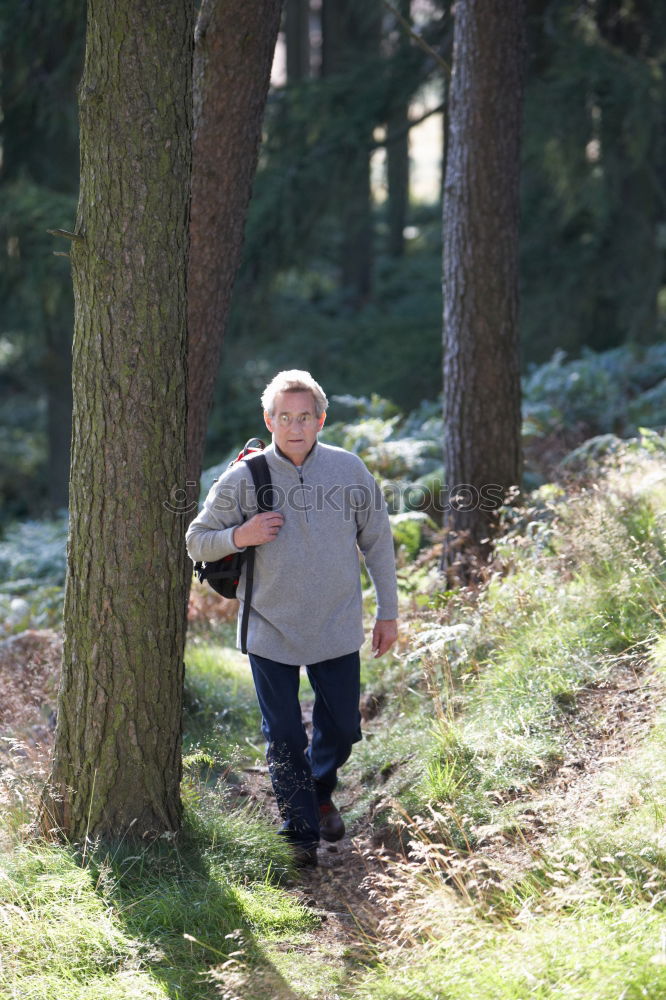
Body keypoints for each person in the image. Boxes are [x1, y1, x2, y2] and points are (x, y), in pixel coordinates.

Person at [186, 370, 398, 867]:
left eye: (305, 417)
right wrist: (242, 535)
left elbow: (378, 541)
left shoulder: (348, 470)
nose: (296, 426)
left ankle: (319, 790)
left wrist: (388, 611)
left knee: (343, 727)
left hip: (337, 623)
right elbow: (197, 539)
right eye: (285, 417)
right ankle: (299, 833)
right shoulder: (244, 477)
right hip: (269, 626)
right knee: (283, 734)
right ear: (269, 420)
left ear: (321, 419)